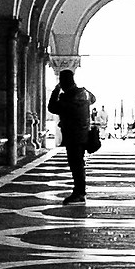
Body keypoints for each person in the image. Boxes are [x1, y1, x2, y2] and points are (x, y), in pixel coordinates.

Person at [47, 68, 95, 202]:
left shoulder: (67, 97)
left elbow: (52, 107)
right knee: (79, 163)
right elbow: (93, 98)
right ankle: (80, 191)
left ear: (63, 82)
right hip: (84, 134)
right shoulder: (84, 94)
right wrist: (83, 89)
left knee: (76, 164)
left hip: (73, 136)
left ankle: (79, 192)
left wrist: (56, 90)